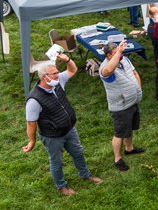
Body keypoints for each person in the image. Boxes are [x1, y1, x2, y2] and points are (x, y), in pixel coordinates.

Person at [23, 55, 102, 195]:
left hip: (69, 129)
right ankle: (61, 186)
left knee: (78, 152)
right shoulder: (34, 100)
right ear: (44, 77)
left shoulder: (57, 82)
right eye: (55, 73)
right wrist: (32, 141)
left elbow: (72, 70)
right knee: (57, 162)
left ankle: (85, 175)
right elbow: (31, 123)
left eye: (58, 72)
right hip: (52, 137)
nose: (58, 75)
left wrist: (67, 60)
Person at [99, 41, 145, 172]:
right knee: (120, 133)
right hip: (121, 106)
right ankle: (117, 158)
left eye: (120, 52)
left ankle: (129, 148)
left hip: (133, 101)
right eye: (115, 53)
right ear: (108, 56)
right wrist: (118, 52)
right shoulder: (105, 68)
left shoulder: (124, 59)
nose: (120, 55)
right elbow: (108, 70)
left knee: (129, 128)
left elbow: (134, 73)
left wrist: (138, 89)